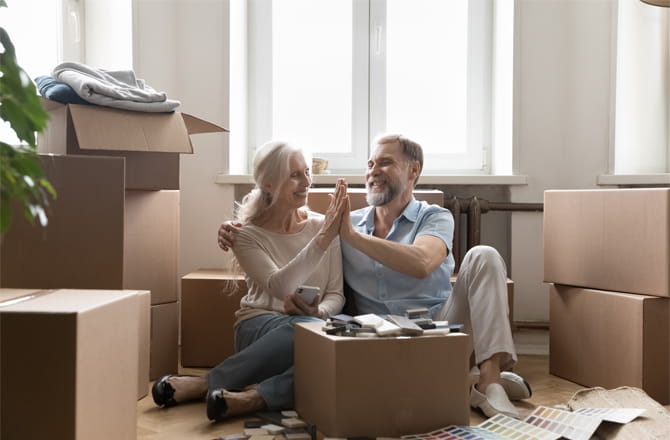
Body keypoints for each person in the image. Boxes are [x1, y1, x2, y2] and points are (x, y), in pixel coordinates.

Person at [219, 134, 531, 419]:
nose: (373, 170)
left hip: (442, 332)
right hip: (379, 343)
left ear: (413, 171)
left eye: (385, 162)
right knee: (333, 357)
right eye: (370, 164)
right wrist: (235, 228)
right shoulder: (347, 223)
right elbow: (298, 243)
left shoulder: (433, 217)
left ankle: (489, 383)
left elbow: (422, 261)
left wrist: (351, 236)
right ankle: (471, 380)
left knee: (484, 255)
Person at [153, 141, 348, 421]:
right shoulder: (246, 234)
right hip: (258, 328)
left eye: (307, 172)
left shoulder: (322, 227)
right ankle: (209, 383)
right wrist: (323, 240)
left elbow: (336, 294)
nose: (306, 182)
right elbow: (281, 288)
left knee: (334, 356)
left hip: (312, 326)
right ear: (268, 184)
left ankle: (251, 398)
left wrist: (319, 312)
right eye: (294, 175)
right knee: (308, 332)